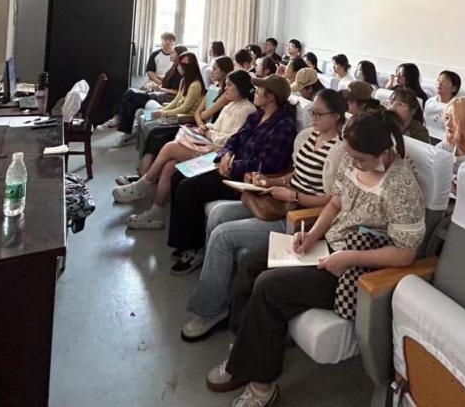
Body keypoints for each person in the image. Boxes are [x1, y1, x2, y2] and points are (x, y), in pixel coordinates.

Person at [206, 108, 425, 405]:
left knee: (269, 287)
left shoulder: (401, 186)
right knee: (250, 264)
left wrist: (349, 257)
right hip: (329, 247)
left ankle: (262, 389)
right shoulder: (352, 159)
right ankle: (246, 350)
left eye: (360, 159)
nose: (353, 163)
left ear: (384, 153)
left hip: (356, 268)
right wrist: (311, 235)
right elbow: (335, 203)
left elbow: (405, 253)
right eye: (351, 157)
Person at [180, 89, 347, 341]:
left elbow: (332, 200)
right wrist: (269, 181)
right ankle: (216, 288)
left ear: (336, 116)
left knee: (223, 235)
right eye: (312, 112)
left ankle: (211, 310)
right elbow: (296, 174)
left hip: (297, 215)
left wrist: (294, 196)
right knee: (219, 213)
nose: (313, 118)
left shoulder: (340, 151)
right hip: (280, 199)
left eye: (319, 114)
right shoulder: (310, 136)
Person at [167, 75, 297, 275]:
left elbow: (267, 163)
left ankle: (195, 248)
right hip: (230, 168)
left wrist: (232, 166)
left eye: (260, 90)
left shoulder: (283, 125)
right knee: (178, 176)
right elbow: (234, 140)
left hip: (248, 180)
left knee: (189, 188)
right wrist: (225, 154)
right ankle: (183, 241)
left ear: (271, 97)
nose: (255, 92)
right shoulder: (256, 117)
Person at [114, 70, 257, 229]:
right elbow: (216, 127)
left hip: (219, 153)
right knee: (169, 167)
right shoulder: (230, 105)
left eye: (230, 85)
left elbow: (232, 140)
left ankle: (142, 185)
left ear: (240, 88)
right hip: (210, 143)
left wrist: (209, 133)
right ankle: (155, 212)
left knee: (169, 148)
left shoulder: (246, 110)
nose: (226, 89)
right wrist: (206, 128)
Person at [132, 52, 206, 173]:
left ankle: (144, 169)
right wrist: (162, 111)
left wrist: (163, 114)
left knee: (151, 128)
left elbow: (185, 108)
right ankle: (143, 165)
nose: (178, 68)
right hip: (176, 115)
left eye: (180, 65)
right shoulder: (184, 81)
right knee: (144, 119)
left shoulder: (195, 85)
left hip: (185, 119)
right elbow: (176, 101)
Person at [105, 44, 187, 140]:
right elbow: (166, 81)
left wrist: (161, 90)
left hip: (166, 96)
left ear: (179, 55)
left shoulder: (181, 72)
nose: (170, 54)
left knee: (131, 94)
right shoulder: (174, 67)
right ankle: (123, 126)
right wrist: (156, 84)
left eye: (173, 53)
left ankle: (120, 121)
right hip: (160, 93)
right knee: (131, 95)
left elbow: (178, 92)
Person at [194, 55, 234, 127]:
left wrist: (201, 118)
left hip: (215, 127)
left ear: (224, 71)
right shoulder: (214, 87)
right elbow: (197, 112)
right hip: (204, 126)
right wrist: (201, 125)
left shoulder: (228, 92)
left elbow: (205, 115)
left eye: (214, 69)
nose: (211, 72)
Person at [423, 70, 460, 136]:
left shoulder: (458, 106)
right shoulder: (430, 101)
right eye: (439, 80)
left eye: (445, 82)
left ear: (454, 89)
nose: (439, 83)